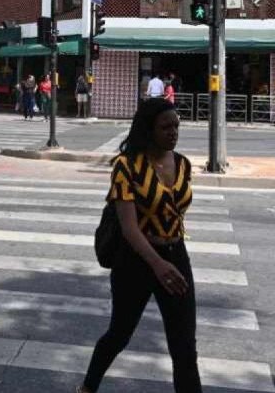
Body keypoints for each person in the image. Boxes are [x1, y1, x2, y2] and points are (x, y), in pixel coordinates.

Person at [79, 98, 201, 393]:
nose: (173, 132)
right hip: (136, 261)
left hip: (176, 255)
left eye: (176, 126)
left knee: (184, 345)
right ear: (149, 129)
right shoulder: (127, 166)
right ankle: (87, 388)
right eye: (165, 127)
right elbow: (129, 227)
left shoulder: (183, 164)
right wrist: (157, 264)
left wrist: (169, 256)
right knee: (120, 334)